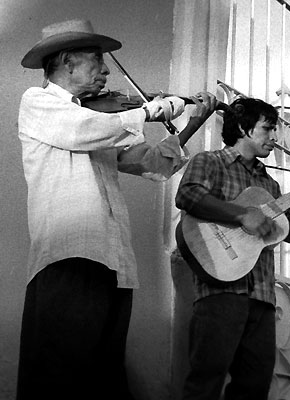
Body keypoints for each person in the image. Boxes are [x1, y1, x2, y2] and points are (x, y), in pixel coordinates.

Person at [17, 19, 217, 400]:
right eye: (96, 59)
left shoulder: (100, 120)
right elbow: (82, 129)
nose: (106, 70)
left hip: (112, 262)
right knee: (60, 375)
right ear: (67, 62)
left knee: (102, 377)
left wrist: (190, 123)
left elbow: (152, 162)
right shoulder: (40, 103)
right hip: (68, 257)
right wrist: (149, 112)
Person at [175, 97, 290, 399]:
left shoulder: (270, 185)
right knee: (206, 381)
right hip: (219, 291)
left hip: (261, 295)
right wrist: (241, 215)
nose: (274, 138)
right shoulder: (209, 162)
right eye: (268, 129)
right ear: (242, 128)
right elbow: (187, 196)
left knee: (254, 385)